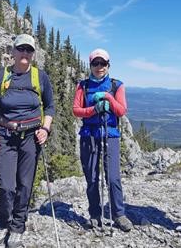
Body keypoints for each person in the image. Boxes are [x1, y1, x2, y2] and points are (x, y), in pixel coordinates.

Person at [0, 34, 55, 248]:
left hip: (30, 137)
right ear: (13, 51)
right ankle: (3, 224)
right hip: (6, 137)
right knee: (7, 186)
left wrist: (45, 128)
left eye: (29, 50)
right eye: (21, 49)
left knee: (25, 185)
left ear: (33, 54)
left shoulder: (39, 77)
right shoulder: (0, 76)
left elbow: (50, 106)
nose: (25, 53)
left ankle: (18, 226)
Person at [72, 48, 133, 232]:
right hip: (89, 135)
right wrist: (93, 110)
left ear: (108, 65)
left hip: (110, 135)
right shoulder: (83, 86)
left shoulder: (116, 85)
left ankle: (119, 215)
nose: (99, 67)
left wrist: (108, 98)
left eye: (103, 63)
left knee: (113, 177)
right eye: (95, 63)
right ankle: (94, 215)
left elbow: (121, 110)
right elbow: (76, 110)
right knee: (91, 178)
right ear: (90, 65)